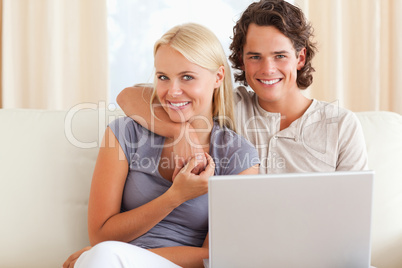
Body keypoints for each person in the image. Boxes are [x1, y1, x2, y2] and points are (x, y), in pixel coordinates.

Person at [63, 23, 259, 268]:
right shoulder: (126, 133)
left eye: (187, 77)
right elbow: (101, 234)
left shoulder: (238, 156)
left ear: (218, 77)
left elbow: (217, 255)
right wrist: (174, 196)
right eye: (163, 77)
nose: (172, 92)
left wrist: (121, 256)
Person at [116, 0, 368, 174]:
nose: (267, 69)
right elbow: (129, 96)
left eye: (280, 56)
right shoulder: (230, 106)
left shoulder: (340, 125)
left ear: (299, 59)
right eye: (255, 56)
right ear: (241, 60)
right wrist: (180, 132)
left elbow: (353, 211)